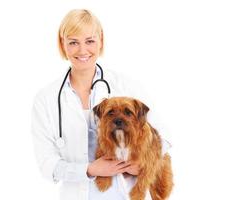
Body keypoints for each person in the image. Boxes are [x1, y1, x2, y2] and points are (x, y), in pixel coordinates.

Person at [31, 9, 169, 200]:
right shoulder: (46, 99)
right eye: (73, 42)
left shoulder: (126, 85)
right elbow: (47, 165)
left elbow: (164, 137)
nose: (82, 50)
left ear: (101, 41)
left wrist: (144, 164)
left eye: (90, 41)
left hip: (124, 194)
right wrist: (89, 169)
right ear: (62, 45)